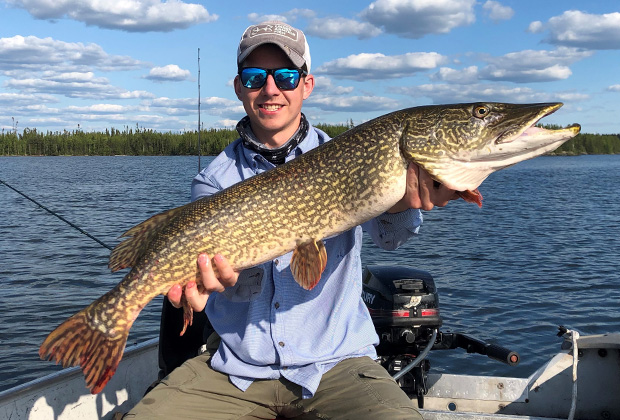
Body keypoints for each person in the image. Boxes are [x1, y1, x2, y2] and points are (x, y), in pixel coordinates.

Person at [127, 21, 457, 419]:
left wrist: (406, 203)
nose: (270, 89)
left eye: (285, 76)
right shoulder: (213, 181)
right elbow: (207, 279)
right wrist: (202, 288)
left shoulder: (349, 156)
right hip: (236, 370)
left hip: (338, 365)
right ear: (238, 87)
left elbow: (391, 239)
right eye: (254, 77)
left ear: (307, 84)